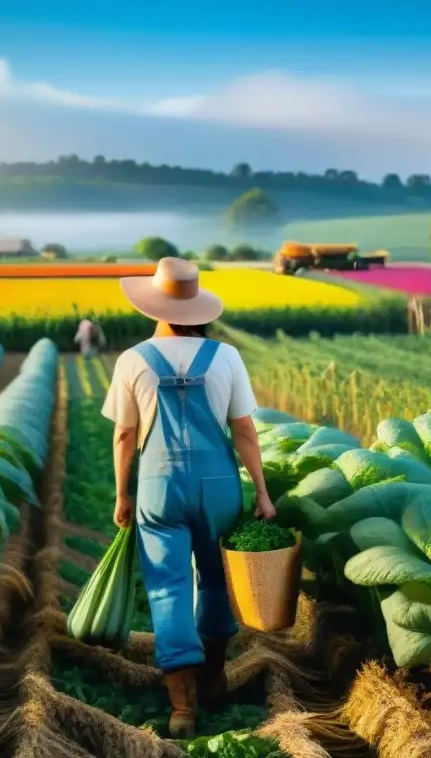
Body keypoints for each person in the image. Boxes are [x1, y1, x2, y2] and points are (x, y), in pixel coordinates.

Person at [101, 256, 275, 739]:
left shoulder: (133, 359)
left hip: (159, 486)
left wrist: (121, 494)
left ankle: (183, 707)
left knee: (167, 588)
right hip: (219, 484)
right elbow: (244, 430)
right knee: (218, 583)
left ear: (153, 306)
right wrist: (261, 492)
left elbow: (123, 435)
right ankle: (215, 678)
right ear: (199, 308)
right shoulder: (226, 358)